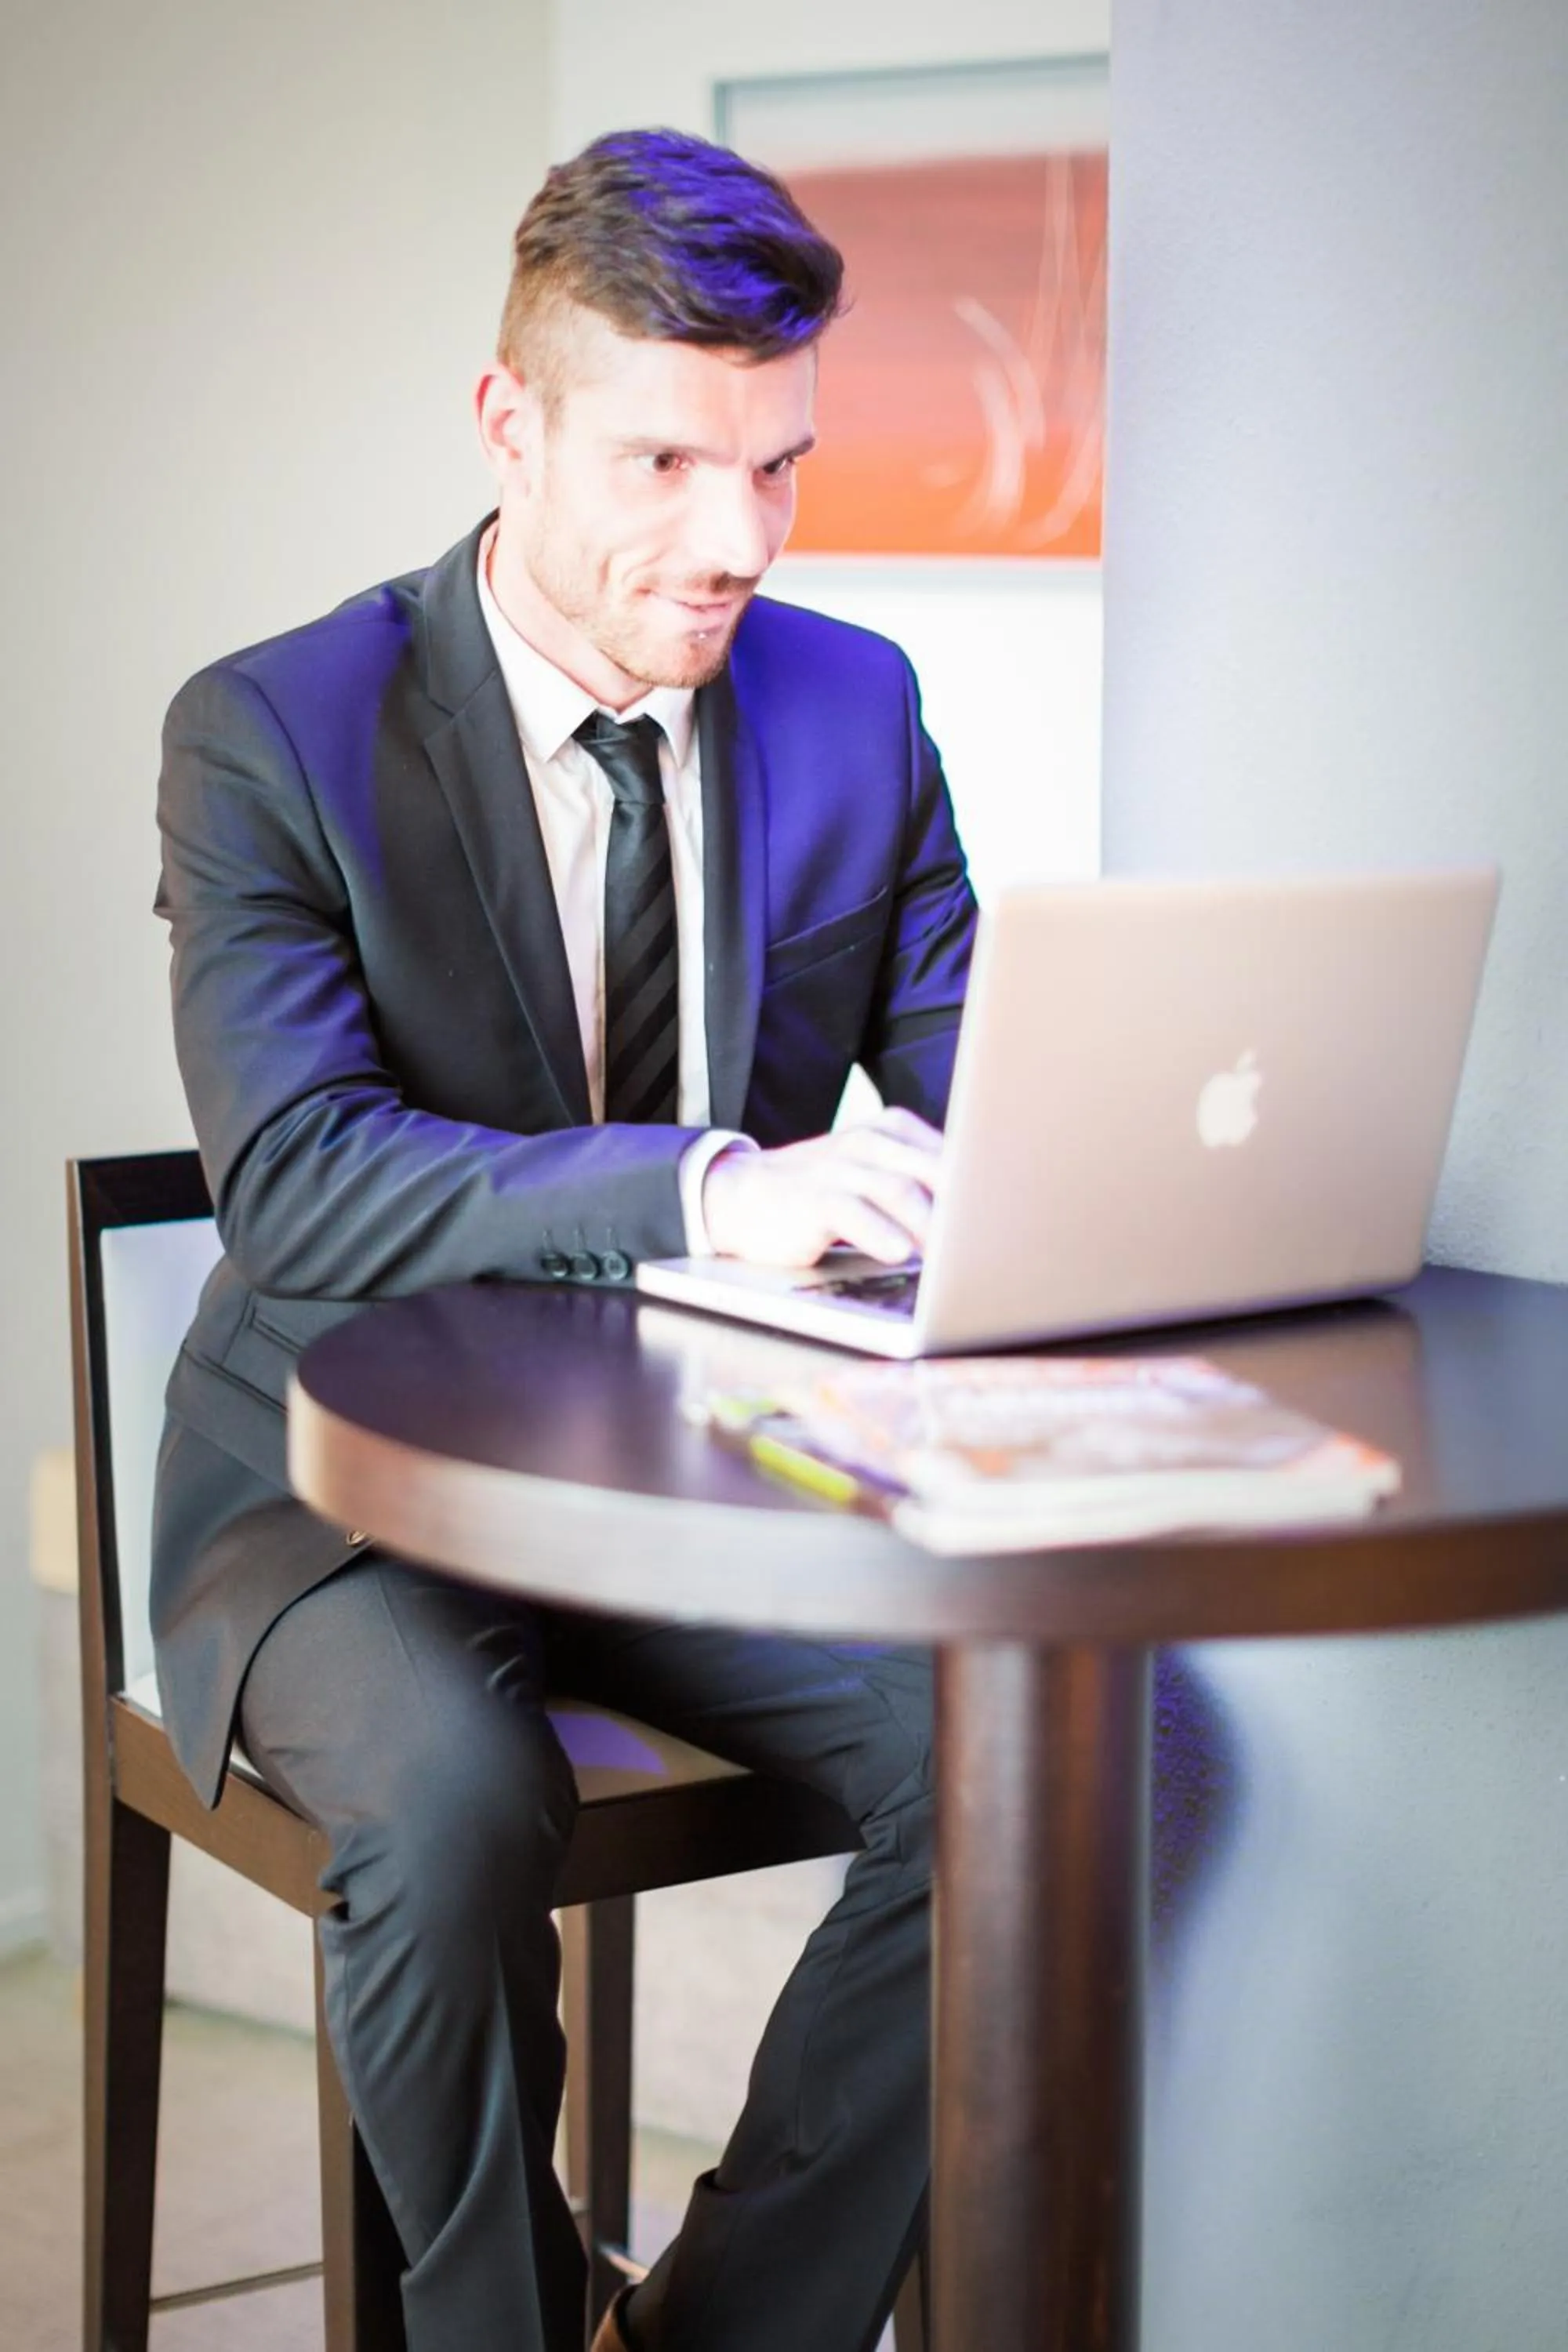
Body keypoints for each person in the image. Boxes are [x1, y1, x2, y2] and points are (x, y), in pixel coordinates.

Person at [152, 127, 977, 2352]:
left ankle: (715, 2331)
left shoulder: (853, 705)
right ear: (507, 422)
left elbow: (988, 1067)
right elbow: (303, 1181)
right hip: (343, 1505)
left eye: (782, 469)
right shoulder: (272, 733)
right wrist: (713, 1180)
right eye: (669, 464)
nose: (736, 542)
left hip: (701, 1490)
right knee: (448, 1799)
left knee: (1079, 1758)